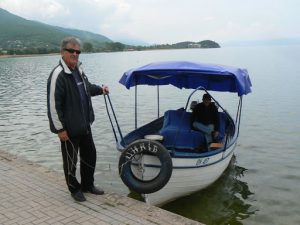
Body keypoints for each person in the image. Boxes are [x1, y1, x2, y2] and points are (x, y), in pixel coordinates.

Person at [47, 37, 109, 202]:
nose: (75, 54)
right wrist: (60, 129)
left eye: (78, 51)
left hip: (84, 124)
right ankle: (74, 190)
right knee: (70, 161)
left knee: (90, 155)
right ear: (63, 52)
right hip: (69, 129)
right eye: (71, 51)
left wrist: (101, 90)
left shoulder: (78, 70)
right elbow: (54, 105)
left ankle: (88, 185)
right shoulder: (58, 75)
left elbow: (86, 88)